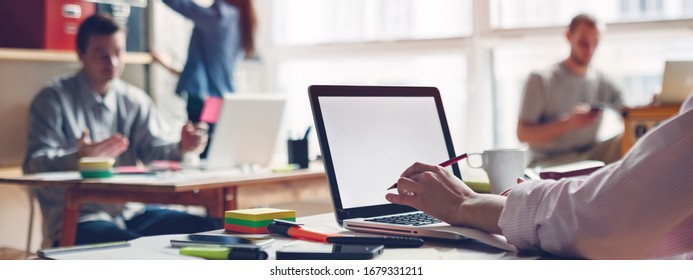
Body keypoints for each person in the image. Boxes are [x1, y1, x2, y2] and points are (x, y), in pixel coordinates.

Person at [386, 94, 693, 260]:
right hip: (549, 168)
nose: (590, 48)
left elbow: (607, 218)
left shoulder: (599, 79)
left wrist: (467, 205)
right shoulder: (544, 80)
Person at [23, 14, 219, 246]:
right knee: (134, 248)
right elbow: (34, 165)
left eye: (118, 53)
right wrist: (78, 158)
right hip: (80, 218)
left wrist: (182, 146)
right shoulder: (52, 100)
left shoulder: (134, 100)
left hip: (132, 212)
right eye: (102, 55)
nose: (113, 63)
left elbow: (153, 151)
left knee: (212, 230)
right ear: (80, 54)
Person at [517, 14, 624, 168]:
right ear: (568, 36)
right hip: (549, 162)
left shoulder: (604, 81)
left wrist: (654, 106)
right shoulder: (540, 79)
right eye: (583, 43)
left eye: (595, 43)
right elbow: (523, 134)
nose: (590, 50)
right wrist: (568, 123)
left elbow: (629, 115)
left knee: (627, 138)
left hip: (591, 155)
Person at [154, 0, 257, 158]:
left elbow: (181, 5)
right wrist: (168, 66)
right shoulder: (240, 19)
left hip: (203, 99)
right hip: (219, 98)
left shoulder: (218, 16)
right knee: (211, 149)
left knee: (200, 148)